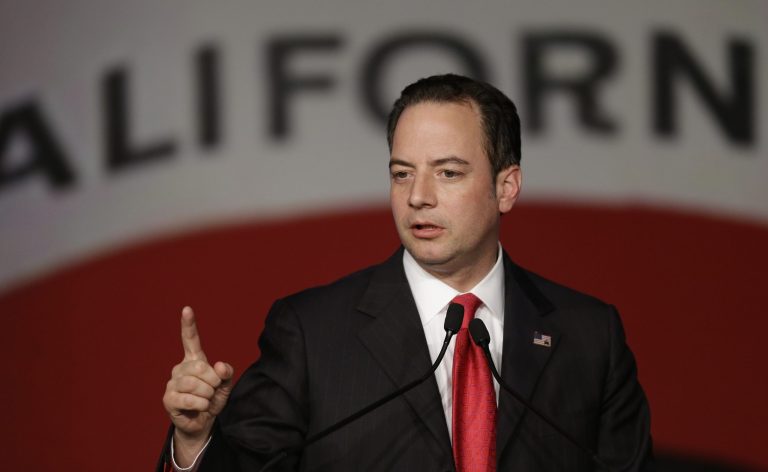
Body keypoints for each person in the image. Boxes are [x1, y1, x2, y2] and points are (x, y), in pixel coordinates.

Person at [159, 74, 654, 471]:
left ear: (507, 187)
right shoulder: (311, 333)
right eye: (402, 173)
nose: (418, 196)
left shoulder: (590, 337)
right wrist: (196, 440)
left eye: (448, 172)